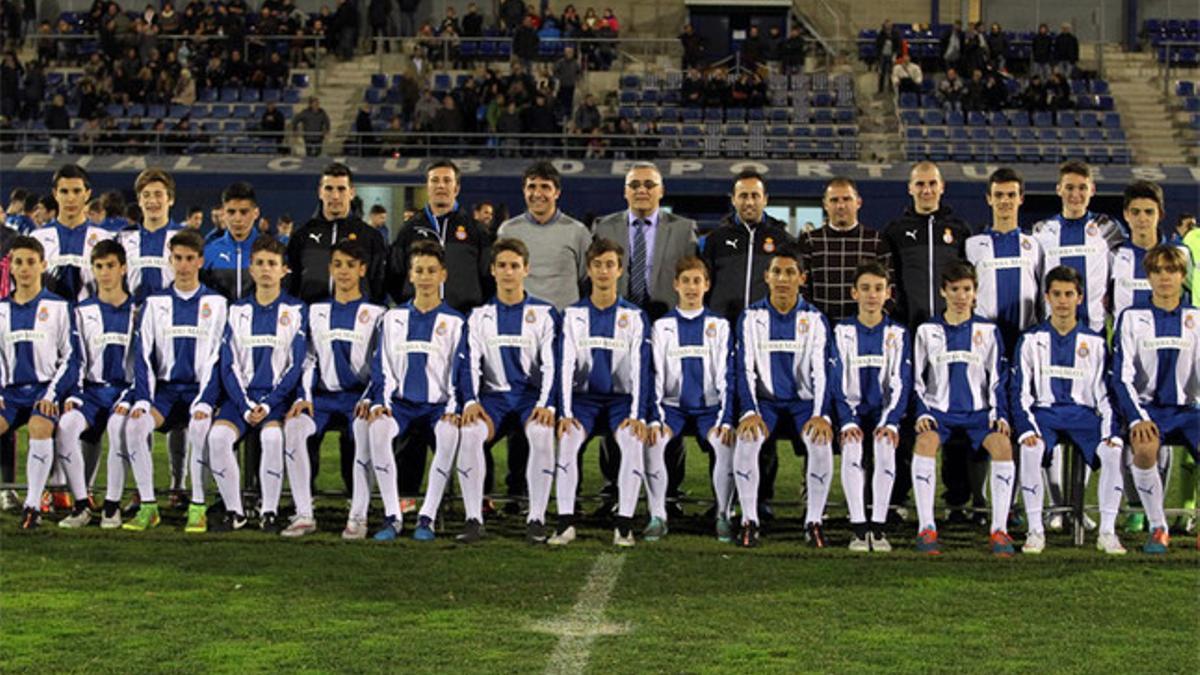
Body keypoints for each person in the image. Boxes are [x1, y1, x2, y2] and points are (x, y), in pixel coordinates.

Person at [592, 161, 699, 517]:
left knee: (667, 405)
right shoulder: (604, 226)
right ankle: (612, 488)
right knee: (615, 399)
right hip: (616, 326)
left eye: (649, 185)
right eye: (635, 184)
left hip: (665, 326)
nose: (642, 190)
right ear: (625, 191)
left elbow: (690, 277)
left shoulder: (683, 229)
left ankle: (671, 491)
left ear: (661, 190)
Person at [1013, 265, 1125, 554]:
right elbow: (1020, 392)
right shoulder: (1030, 340)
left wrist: (1111, 431)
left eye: (1069, 294)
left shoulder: (1096, 343)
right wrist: (1027, 428)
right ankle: (1035, 530)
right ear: (1047, 297)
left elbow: (1105, 394)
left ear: (1079, 297)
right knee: (1030, 448)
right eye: (1057, 294)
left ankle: (1107, 532)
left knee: (1113, 451)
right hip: (1044, 415)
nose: (1063, 301)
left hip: (1084, 416)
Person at [456, 237, 559, 543]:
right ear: (492, 270)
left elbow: (552, 364)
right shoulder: (478, 317)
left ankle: (536, 518)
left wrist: (547, 404)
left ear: (526, 269)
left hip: (530, 399)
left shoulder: (544, 313)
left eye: (515, 266)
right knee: (470, 433)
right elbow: (469, 364)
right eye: (502, 265)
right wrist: (471, 401)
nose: (508, 272)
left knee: (541, 434)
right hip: (494, 400)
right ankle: (473, 518)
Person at [124, 229, 228, 534]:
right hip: (166, 393)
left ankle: (197, 506)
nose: (183, 265)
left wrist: (207, 401)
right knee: (135, 426)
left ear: (200, 261)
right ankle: (148, 506)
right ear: (170, 261)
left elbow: (218, 358)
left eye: (189, 259)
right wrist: (144, 399)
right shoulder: (155, 303)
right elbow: (142, 355)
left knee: (198, 428)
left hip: (200, 390)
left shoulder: (217, 303)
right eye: (178, 258)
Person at [551, 237, 651, 547]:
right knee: (567, 439)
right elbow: (564, 367)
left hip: (621, 401)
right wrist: (565, 413)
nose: (604, 271)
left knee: (633, 440)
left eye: (610, 265)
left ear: (620, 270)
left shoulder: (634, 316)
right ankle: (565, 522)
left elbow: (640, 368)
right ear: (589, 271)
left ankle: (624, 524)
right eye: (597, 265)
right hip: (583, 401)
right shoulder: (572, 315)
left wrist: (638, 415)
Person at [732, 245, 834, 548]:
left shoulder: (815, 319)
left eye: (790, 272)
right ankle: (749, 519)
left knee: (821, 441)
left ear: (802, 278)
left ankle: (814, 520)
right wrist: (749, 411)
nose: (783, 278)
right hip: (765, 403)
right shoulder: (751, 316)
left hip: (804, 404)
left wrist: (821, 414)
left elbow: (821, 373)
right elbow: (744, 369)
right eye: (777, 271)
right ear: (766, 276)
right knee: (747, 439)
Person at [283, 239, 385, 539]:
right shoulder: (314, 312)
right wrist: (304, 396)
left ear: (362, 270)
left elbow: (382, 364)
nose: (344, 272)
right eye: (338, 265)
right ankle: (303, 513)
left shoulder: (377, 313)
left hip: (358, 398)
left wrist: (370, 397)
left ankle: (358, 516)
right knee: (294, 428)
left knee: (365, 432)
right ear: (330, 268)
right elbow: (307, 358)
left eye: (351, 266)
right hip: (323, 399)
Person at [910, 263, 1014, 556]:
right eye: (954, 289)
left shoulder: (988, 330)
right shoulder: (927, 330)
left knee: (1003, 446)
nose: (960, 296)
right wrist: (922, 412)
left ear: (975, 293)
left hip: (979, 414)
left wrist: (1000, 414)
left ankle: (999, 530)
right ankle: (927, 528)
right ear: (943, 291)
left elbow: (998, 378)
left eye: (966, 289)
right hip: (938, 412)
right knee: (925, 442)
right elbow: (916, 379)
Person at [365, 240, 466, 541]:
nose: (425, 277)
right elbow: (381, 365)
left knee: (449, 433)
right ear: (410, 275)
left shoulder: (455, 321)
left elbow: (459, 373)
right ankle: (392, 515)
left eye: (431, 271)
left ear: (442, 275)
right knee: (377, 429)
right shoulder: (392, 318)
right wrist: (379, 402)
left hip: (438, 407)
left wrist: (452, 410)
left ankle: (428, 517)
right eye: (419, 270)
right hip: (402, 406)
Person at [206, 235, 306, 534]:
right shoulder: (236, 311)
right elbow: (229, 363)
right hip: (241, 400)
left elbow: (295, 364)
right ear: (250, 269)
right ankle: (235, 511)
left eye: (272, 264)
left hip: (275, 401)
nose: (266, 269)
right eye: (260, 263)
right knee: (217, 438)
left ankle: (269, 511)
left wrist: (268, 403)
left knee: (274, 439)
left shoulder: (296, 311)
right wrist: (245, 404)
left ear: (283, 270)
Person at [1111, 245, 1200, 554]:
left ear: (1182, 276)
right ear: (1148, 276)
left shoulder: (1195, 318)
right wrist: (1137, 417)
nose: (1165, 278)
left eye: (1172, 271)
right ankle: (1158, 526)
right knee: (1145, 449)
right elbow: (1120, 376)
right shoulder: (1132, 318)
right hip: (1148, 410)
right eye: (1158, 271)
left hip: (1189, 411)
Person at [646, 256, 735, 542]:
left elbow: (725, 375)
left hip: (710, 409)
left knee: (724, 442)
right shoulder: (662, 327)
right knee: (653, 441)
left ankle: (723, 514)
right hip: (672, 409)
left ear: (707, 285)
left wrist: (724, 418)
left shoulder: (719, 326)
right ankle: (658, 515)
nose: (691, 287)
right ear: (675, 285)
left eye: (697, 281)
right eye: (686, 281)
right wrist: (656, 418)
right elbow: (656, 374)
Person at [830, 261, 912, 552]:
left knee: (885, 445)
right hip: (851, 413)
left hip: (883, 413)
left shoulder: (898, 334)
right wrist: (848, 421)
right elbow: (836, 382)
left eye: (878, 289)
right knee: (852, 447)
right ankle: (858, 528)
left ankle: (878, 528)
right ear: (854, 293)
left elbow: (901, 383)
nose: (872, 295)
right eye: (865, 288)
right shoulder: (842, 332)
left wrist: (890, 421)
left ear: (888, 293)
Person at [59, 241, 135, 529]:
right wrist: (75, 395)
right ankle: (81, 505)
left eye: (111, 266)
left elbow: (143, 365)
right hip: (91, 394)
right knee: (66, 427)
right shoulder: (81, 311)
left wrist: (131, 396)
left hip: (124, 393)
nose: (105, 273)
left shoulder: (138, 311)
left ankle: (112, 506)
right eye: (99, 267)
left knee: (118, 429)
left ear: (123, 268)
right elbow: (74, 359)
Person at [3, 236, 76, 529]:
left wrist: (53, 393)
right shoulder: (1, 310)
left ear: (43, 265)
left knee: (40, 427)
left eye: (31, 262)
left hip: (44, 391)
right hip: (8, 394)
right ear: (10, 267)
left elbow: (71, 357)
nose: (24, 268)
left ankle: (32, 506)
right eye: (18, 262)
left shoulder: (58, 307)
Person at [1031, 161, 1125, 334]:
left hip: (1096, 332)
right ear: (1058, 189)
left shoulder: (1107, 227)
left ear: (1092, 190)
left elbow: (1123, 270)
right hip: (1051, 333)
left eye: (1082, 188)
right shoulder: (1040, 231)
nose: (1076, 194)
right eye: (1069, 187)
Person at [387, 160, 491, 313]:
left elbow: (488, 277)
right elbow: (395, 274)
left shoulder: (476, 230)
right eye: (435, 180)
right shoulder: (409, 229)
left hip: (464, 319)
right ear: (428, 187)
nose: (440, 186)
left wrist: (473, 309)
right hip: (419, 318)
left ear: (456, 188)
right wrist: (410, 305)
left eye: (447, 181)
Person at [964, 168, 1043, 352]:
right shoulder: (973, 246)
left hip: (1025, 341)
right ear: (989, 199)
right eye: (998, 195)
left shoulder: (1034, 245)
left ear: (1021, 199)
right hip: (983, 342)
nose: (1004, 201)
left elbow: (1042, 295)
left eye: (1011, 195)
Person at [288, 162, 388, 305]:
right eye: (329, 189)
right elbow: (292, 285)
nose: (335, 196)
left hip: (358, 323)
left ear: (352, 193)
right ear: (320, 192)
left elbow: (379, 287)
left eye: (341, 189)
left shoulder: (370, 237)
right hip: (312, 322)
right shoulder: (301, 236)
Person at [495, 161, 591, 310]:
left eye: (545, 187)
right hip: (522, 322)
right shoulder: (508, 231)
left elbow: (586, 278)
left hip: (565, 323)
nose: (537, 194)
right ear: (524, 191)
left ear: (557, 192)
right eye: (532, 187)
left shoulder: (578, 231)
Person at [797, 177, 888, 324]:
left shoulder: (876, 241)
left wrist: (871, 325)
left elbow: (890, 291)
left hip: (865, 330)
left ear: (858, 202)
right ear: (825, 204)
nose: (840, 206)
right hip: (818, 330)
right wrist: (814, 325)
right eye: (834, 200)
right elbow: (801, 289)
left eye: (846, 199)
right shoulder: (810, 241)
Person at [31, 164, 113, 303]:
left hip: (90, 319)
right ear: (55, 194)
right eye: (64, 191)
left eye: (76, 191)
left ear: (87, 194)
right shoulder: (37, 238)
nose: (70, 198)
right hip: (48, 320)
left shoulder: (104, 238)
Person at [120, 168, 184, 304]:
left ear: (170, 199)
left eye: (158, 194)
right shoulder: (124, 237)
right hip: (133, 317)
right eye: (146, 195)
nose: (152, 200)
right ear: (139, 200)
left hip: (172, 317)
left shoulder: (184, 237)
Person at [203, 181, 261, 301]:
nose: (237, 219)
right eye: (231, 212)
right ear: (223, 213)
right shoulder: (209, 252)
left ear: (256, 213)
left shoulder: (270, 251)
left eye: (244, 212)